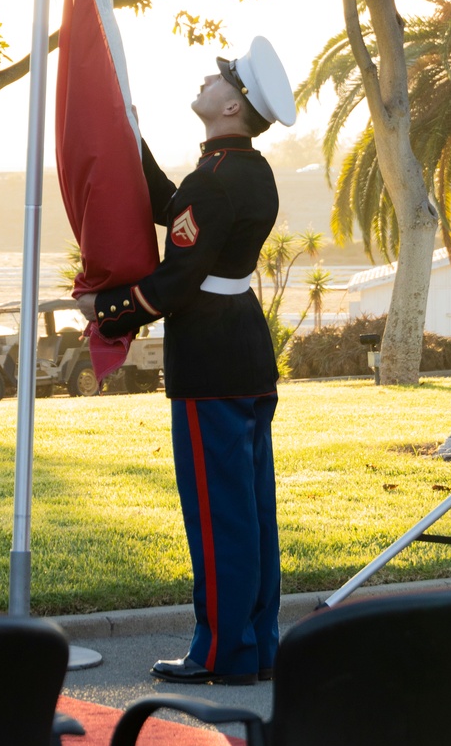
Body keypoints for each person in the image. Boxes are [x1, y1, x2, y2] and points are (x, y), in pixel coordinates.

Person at [77, 36, 296, 684]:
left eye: (221, 76)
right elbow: (176, 208)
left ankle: (220, 655)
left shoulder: (216, 180)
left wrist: (105, 311)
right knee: (252, 512)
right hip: (245, 356)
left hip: (211, 361)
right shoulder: (244, 173)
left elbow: (176, 281)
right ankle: (256, 646)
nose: (210, 77)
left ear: (232, 106)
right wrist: (132, 142)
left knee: (218, 514)